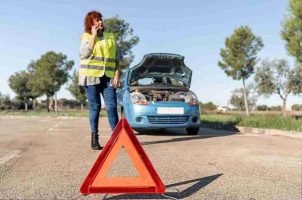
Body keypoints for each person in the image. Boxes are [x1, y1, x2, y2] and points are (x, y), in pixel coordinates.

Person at [79, 11, 120, 150]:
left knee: (112, 107)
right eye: (97, 20)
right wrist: (93, 36)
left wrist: (117, 75)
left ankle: (117, 138)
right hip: (91, 75)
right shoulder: (86, 36)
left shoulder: (110, 37)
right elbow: (84, 54)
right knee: (95, 107)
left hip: (107, 76)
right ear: (91, 23)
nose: (100, 22)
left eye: (100, 19)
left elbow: (116, 58)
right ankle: (94, 139)